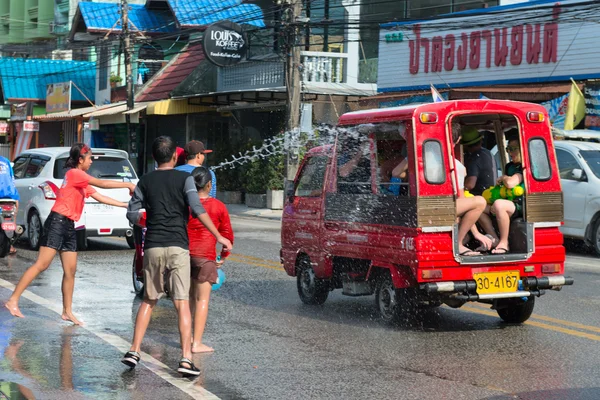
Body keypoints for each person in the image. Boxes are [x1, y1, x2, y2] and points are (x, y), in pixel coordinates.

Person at [122, 136, 232, 377]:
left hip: (153, 246)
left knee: (149, 300)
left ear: (154, 158)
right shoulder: (185, 180)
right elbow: (197, 209)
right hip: (178, 247)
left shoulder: (145, 180)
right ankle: (185, 359)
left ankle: (133, 350)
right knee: (182, 303)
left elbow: (131, 213)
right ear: (174, 156)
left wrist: (147, 220)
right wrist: (218, 236)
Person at [4, 144, 135, 325]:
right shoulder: (75, 174)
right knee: (42, 264)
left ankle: (67, 311)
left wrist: (124, 205)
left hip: (68, 225)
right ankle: (13, 300)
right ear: (80, 160)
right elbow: (103, 183)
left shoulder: (81, 181)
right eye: (89, 158)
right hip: (57, 222)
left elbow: (99, 195)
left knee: (70, 270)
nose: (91, 162)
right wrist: (127, 184)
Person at [188, 166, 234, 353]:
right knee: (202, 300)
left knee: (188, 298)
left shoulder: (185, 204)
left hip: (183, 255)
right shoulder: (218, 206)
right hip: (204, 258)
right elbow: (227, 235)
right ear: (209, 185)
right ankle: (196, 343)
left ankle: (187, 337)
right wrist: (223, 257)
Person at [486, 138, 524, 254]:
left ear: (522, 149)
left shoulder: (524, 166)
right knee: (480, 206)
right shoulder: (509, 166)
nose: (510, 153)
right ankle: (494, 239)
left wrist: (503, 178)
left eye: (514, 149)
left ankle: (504, 242)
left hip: (519, 205)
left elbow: (510, 183)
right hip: (507, 201)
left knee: (499, 204)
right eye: (508, 149)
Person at [461, 127, 496, 196]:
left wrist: (460, 191)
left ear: (465, 146)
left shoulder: (474, 159)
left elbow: (470, 185)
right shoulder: (488, 153)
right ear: (480, 141)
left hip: (480, 196)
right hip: (492, 194)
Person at [0, 155, 20, 255]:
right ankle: (11, 244)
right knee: (15, 207)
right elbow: (12, 180)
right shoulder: (6, 161)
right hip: (10, 194)